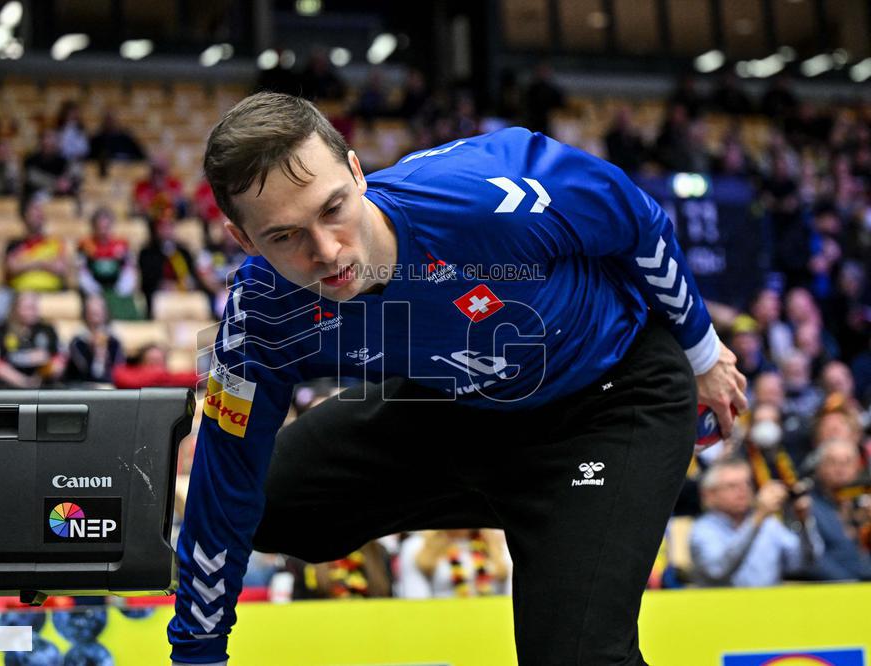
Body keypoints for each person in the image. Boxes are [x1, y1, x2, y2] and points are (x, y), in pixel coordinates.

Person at [168, 92, 747, 665]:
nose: (327, 251)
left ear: (355, 170)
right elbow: (224, 481)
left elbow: (639, 221)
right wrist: (197, 653)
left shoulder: (490, 193)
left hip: (611, 398)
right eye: (284, 236)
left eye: (332, 208)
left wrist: (703, 353)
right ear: (244, 240)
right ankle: (541, 503)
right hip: (459, 403)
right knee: (267, 505)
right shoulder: (262, 313)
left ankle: (570, 508)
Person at [690, 458, 823, 587]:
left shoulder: (768, 524)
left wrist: (803, 522)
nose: (742, 491)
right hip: (721, 607)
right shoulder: (703, 529)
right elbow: (718, 570)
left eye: (747, 483)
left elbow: (802, 562)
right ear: (709, 495)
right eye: (732, 486)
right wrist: (757, 518)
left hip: (769, 606)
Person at [806, 439, 871, 581]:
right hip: (833, 590)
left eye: (847, 462)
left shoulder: (866, 501)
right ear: (819, 467)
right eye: (832, 462)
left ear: (857, 467)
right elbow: (812, 558)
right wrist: (850, 584)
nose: (840, 469)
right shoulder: (807, 506)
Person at [0, 291, 66, 388]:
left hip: (43, 388)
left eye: (34, 307)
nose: (31, 312)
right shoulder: (2, 331)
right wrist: (23, 382)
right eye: (27, 308)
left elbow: (59, 360)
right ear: (15, 308)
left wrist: (42, 376)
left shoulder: (47, 330)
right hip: (8, 389)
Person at [4, 196, 68, 292]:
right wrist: (43, 263)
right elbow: (12, 268)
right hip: (22, 294)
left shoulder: (54, 243)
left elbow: (60, 268)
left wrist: (27, 263)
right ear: (25, 216)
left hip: (51, 293)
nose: (39, 215)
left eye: (40, 212)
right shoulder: (15, 244)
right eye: (34, 211)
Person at [65, 294, 125, 385]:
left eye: (98, 312)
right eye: (92, 313)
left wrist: (105, 357)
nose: (96, 315)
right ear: (86, 314)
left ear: (105, 313)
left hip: (110, 388)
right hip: (83, 387)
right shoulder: (78, 341)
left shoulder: (114, 341)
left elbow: (119, 370)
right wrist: (92, 352)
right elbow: (82, 372)